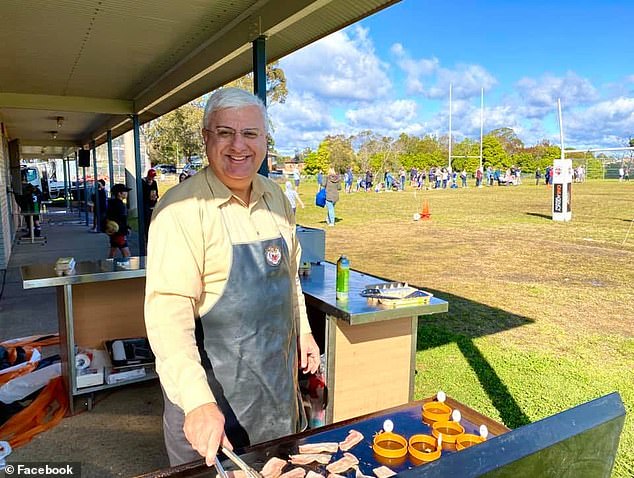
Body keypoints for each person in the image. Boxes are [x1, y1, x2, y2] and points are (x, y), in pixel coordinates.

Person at [144, 87, 320, 467]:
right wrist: (198, 402)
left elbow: (289, 280)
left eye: (250, 134)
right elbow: (167, 319)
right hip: (212, 408)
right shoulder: (180, 210)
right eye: (225, 133)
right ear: (207, 138)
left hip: (275, 398)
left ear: (265, 141)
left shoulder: (276, 199)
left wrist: (303, 330)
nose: (238, 146)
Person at [106, 183, 132, 258]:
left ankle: (109, 266)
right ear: (119, 193)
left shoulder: (111, 204)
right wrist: (126, 229)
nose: (127, 193)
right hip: (119, 233)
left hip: (113, 231)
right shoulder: (120, 205)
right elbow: (121, 220)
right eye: (125, 191)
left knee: (113, 252)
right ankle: (127, 269)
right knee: (126, 254)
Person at [142, 168, 159, 240]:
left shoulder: (154, 182)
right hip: (146, 204)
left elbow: (156, 192)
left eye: (153, 177)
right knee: (147, 221)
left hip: (153, 203)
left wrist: (155, 197)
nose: (152, 178)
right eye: (151, 176)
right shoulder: (143, 182)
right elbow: (142, 194)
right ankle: (147, 236)